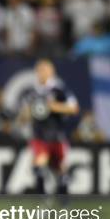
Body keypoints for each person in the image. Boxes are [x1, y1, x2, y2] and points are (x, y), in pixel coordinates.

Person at [22, 59, 79, 195]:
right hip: (39, 135)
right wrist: (27, 113)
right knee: (39, 167)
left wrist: (54, 107)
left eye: (46, 70)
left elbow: (74, 108)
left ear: (52, 72)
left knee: (61, 172)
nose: (43, 73)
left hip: (57, 135)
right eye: (40, 70)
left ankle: (63, 204)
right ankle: (42, 203)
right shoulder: (32, 92)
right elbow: (24, 116)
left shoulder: (59, 90)